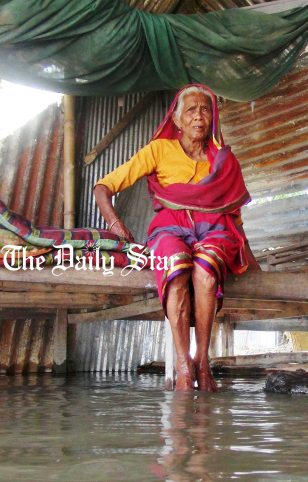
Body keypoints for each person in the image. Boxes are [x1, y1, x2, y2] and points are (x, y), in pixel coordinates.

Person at [94, 85, 260, 392]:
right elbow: (103, 187)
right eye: (191, 110)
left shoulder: (223, 160)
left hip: (215, 229)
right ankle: (184, 365)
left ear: (214, 117)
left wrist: (252, 260)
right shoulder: (158, 150)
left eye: (206, 109)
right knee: (176, 264)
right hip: (170, 226)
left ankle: (203, 361)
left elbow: (235, 218)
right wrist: (115, 223)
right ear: (177, 119)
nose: (199, 116)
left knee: (207, 271)